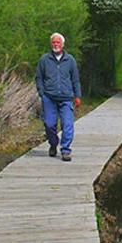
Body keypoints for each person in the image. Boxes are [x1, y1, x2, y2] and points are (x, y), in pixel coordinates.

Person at [35, 32, 82, 161]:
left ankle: (65, 150)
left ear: (63, 44)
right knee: (49, 124)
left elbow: (75, 80)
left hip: (66, 98)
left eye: (58, 42)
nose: (56, 45)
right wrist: (42, 93)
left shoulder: (70, 60)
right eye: (54, 42)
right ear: (51, 44)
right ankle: (53, 144)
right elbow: (39, 77)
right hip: (49, 97)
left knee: (68, 125)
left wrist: (77, 96)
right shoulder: (44, 59)